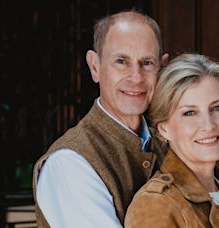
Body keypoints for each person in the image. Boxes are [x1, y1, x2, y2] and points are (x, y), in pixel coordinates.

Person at [32, 10, 169, 228]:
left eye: (147, 63)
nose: (136, 77)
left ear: (162, 68)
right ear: (94, 66)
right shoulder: (69, 162)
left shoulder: (169, 146)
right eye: (121, 61)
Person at [125, 54, 219, 227]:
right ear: (164, 129)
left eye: (216, 108)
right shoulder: (155, 205)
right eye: (189, 113)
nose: (208, 125)